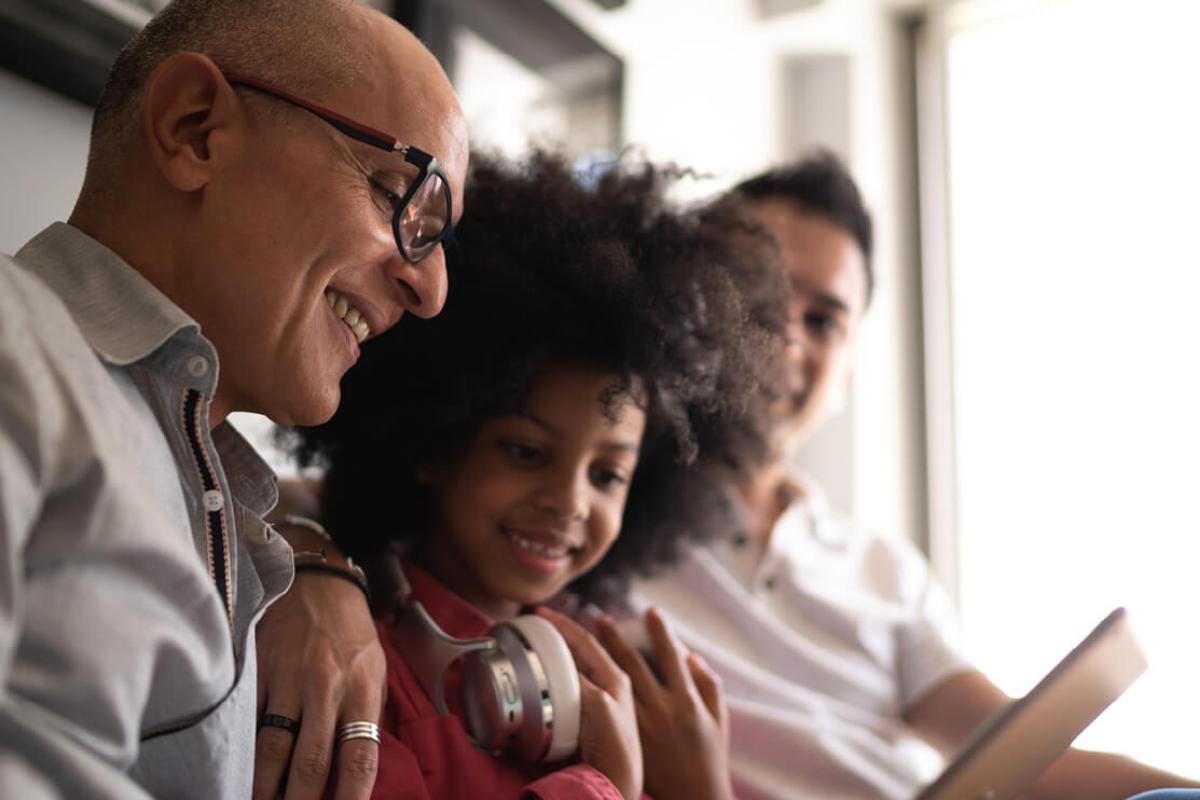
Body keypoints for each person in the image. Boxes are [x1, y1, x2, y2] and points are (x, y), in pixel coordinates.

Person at [0, 0, 467, 796]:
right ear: (196, 129)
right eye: (401, 192)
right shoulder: (18, 356)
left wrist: (318, 557)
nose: (432, 289)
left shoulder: (230, 494)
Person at [628, 151, 1200, 800]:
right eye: (764, 300)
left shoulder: (881, 568)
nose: (788, 341)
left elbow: (1025, 757)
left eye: (823, 320)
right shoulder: (609, 518)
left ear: (845, 370)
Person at [280, 150, 786, 799]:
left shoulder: (627, 682)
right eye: (526, 452)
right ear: (434, 442)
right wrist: (605, 786)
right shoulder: (353, 665)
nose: (569, 502)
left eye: (608, 475)